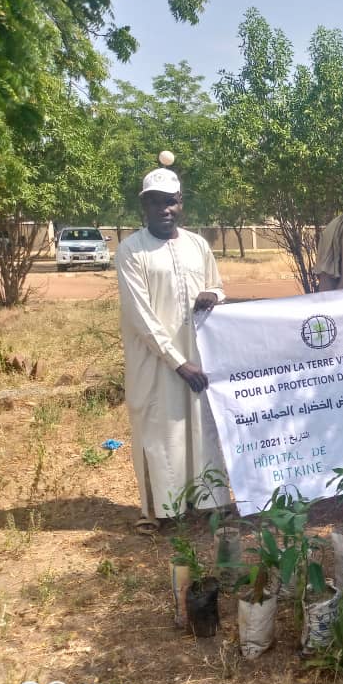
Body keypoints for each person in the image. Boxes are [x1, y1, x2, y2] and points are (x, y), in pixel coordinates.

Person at [116, 168, 230, 533]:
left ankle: (210, 500)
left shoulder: (197, 244)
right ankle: (164, 510)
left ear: (181, 203)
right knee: (161, 431)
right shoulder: (131, 250)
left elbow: (217, 286)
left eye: (171, 201)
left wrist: (213, 294)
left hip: (198, 356)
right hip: (155, 362)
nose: (164, 209)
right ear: (144, 205)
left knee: (202, 429)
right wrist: (178, 363)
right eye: (156, 202)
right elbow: (141, 317)